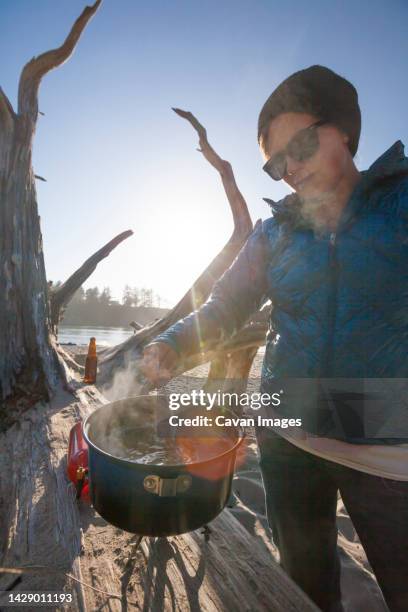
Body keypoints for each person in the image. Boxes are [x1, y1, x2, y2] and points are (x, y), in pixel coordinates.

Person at [140, 66, 408, 611]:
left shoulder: (399, 205)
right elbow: (225, 305)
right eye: (275, 162)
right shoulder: (275, 232)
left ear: (346, 131)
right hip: (287, 435)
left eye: (302, 146)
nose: (290, 169)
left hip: (386, 442)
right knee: (304, 588)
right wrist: (171, 342)